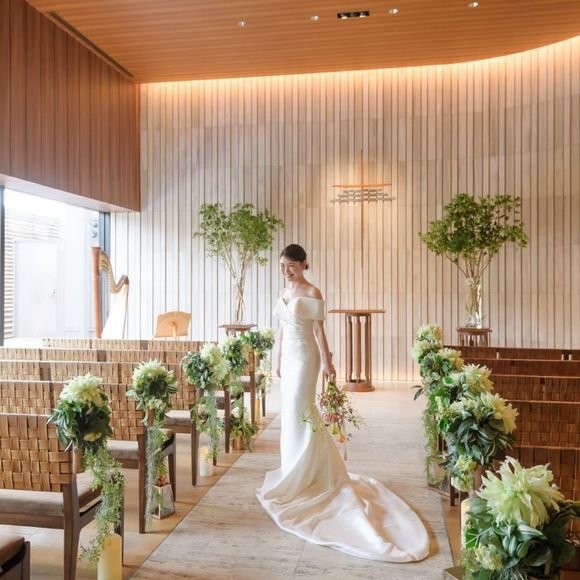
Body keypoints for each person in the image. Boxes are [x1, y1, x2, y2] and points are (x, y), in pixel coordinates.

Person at [256, 243, 429, 562]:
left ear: (304, 264)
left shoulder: (312, 291)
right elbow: (280, 330)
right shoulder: (283, 291)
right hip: (289, 358)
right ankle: (294, 469)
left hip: (306, 358)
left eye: (291, 265)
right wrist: (276, 358)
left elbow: (319, 332)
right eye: (282, 266)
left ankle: (313, 475)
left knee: (301, 409)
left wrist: (329, 363)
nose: (286, 271)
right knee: (290, 414)